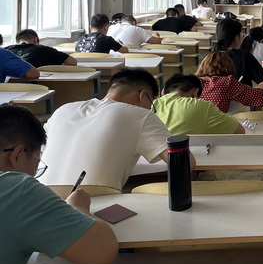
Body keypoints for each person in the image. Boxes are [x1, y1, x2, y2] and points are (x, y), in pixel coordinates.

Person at [0, 105, 118, 264]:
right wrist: (77, 207)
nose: (33, 174)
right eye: (35, 166)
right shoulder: (18, 189)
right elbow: (101, 250)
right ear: (17, 155)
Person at [40, 69, 194, 190]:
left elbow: (40, 154)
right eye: (151, 105)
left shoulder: (63, 109)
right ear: (143, 95)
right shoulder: (140, 115)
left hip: (39, 198)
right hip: (92, 203)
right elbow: (185, 163)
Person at [153, 74, 245, 135]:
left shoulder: (152, 104)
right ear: (195, 93)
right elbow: (239, 131)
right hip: (186, 155)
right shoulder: (201, 106)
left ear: (164, 92)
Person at [196, 51, 263, 113]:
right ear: (229, 66)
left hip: (193, 123)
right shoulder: (227, 83)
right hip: (216, 123)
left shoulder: (193, 81)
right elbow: (260, 98)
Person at [216, 18, 263, 86]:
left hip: (213, 93)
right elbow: (262, 79)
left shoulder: (208, 57)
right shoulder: (244, 56)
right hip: (241, 92)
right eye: (242, 34)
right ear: (236, 37)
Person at [7, 29, 77, 67]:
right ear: (35, 40)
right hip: (35, 85)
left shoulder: (6, 50)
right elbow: (72, 62)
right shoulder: (43, 49)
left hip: (6, 86)